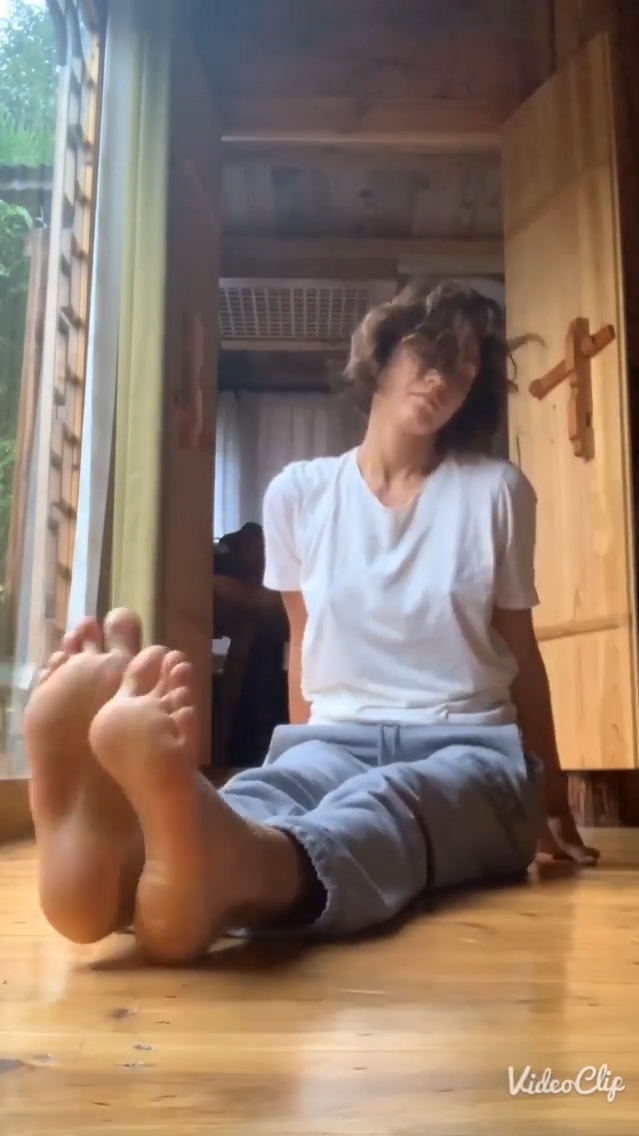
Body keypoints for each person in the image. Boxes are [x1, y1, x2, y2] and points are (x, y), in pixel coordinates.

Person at [25, 281, 598, 966]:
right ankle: (120, 872)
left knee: (388, 800)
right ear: (382, 355)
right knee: (269, 790)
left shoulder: (496, 492)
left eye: (466, 366)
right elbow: (303, 642)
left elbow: (519, 649)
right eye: (430, 353)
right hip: (335, 734)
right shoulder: (299, 493)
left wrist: (550, 792)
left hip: (469, 749)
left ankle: (232, 871)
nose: (443, 378)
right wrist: (299, 748)